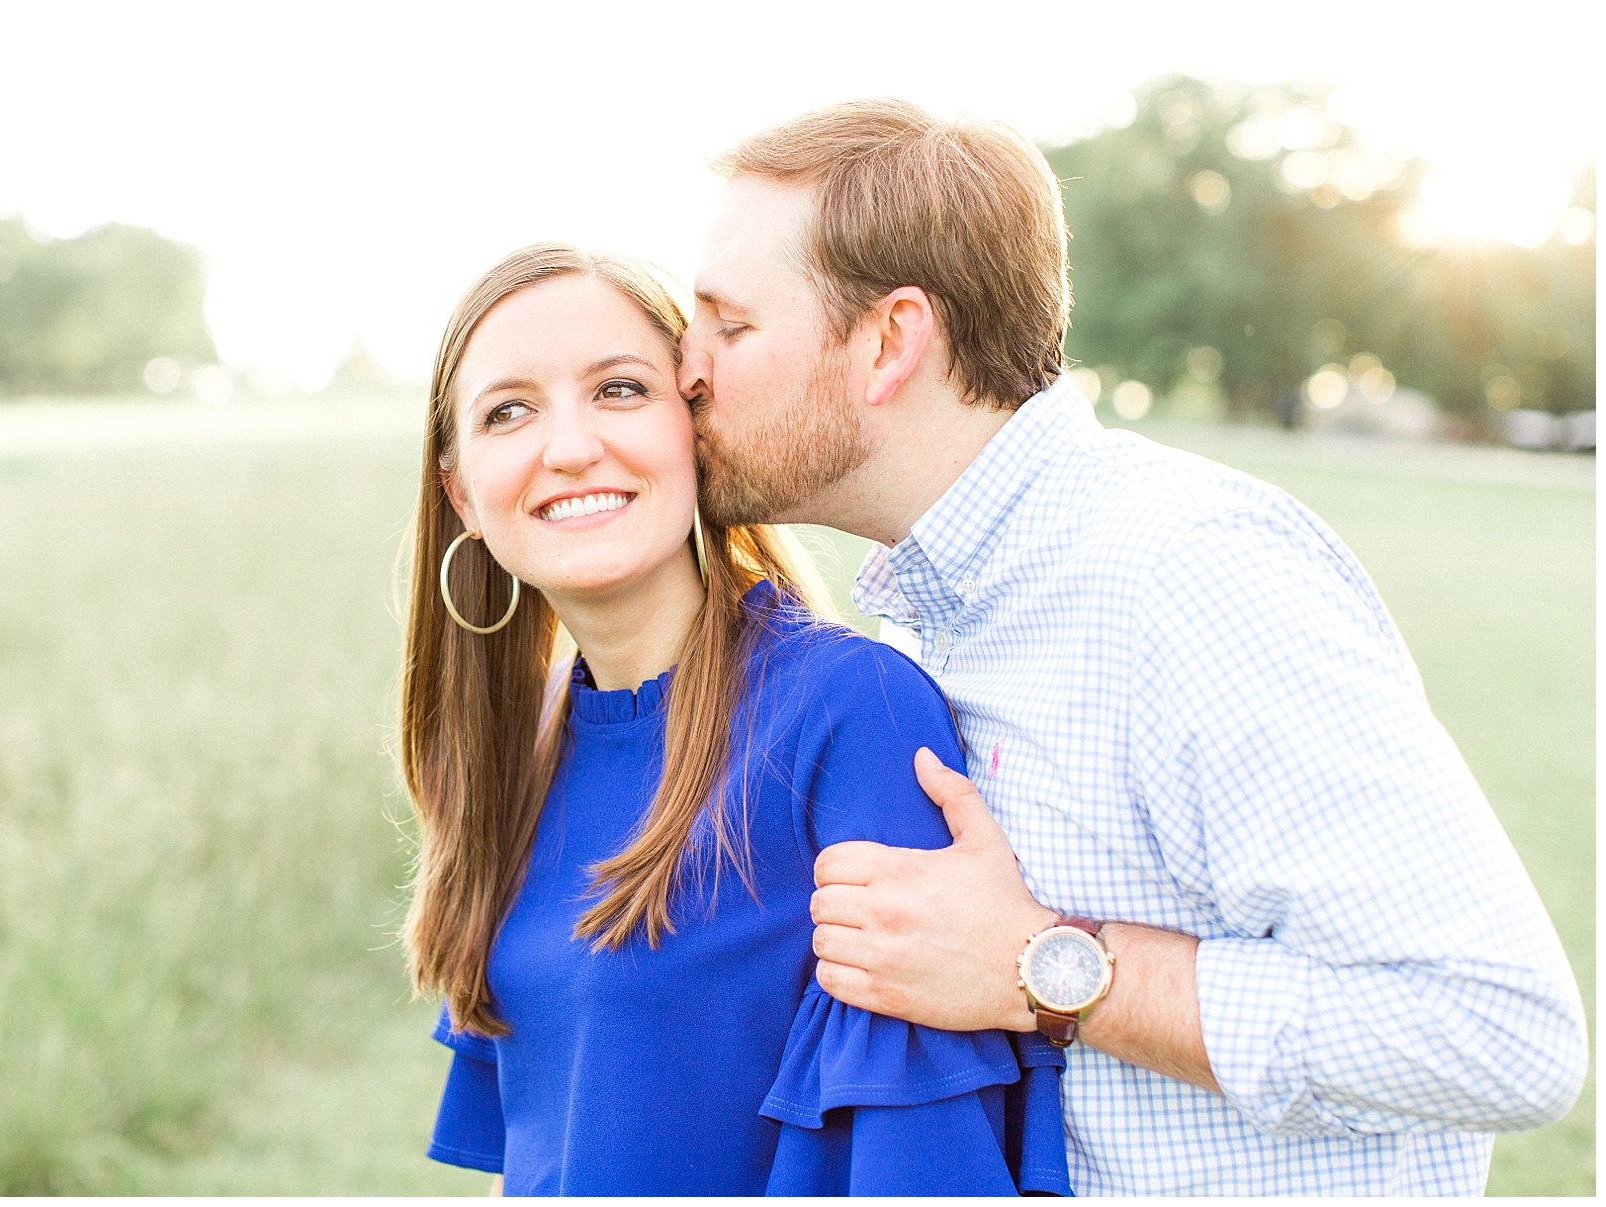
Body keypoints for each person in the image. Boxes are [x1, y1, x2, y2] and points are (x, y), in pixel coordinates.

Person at [678, 98, 1588, 1195]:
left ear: (890, 341)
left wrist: (1043, 965)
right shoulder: (933, 604)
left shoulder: (1187, 576)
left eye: (729, 326)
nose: (685, 368)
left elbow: (1498, 1028)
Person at [397, 243, 1071, 1196]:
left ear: (696, 426)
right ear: (462, 491)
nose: (570, 447)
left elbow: (920, 1166)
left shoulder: (849, 713)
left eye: (620, 390)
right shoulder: (532, 739)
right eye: (508, 411)